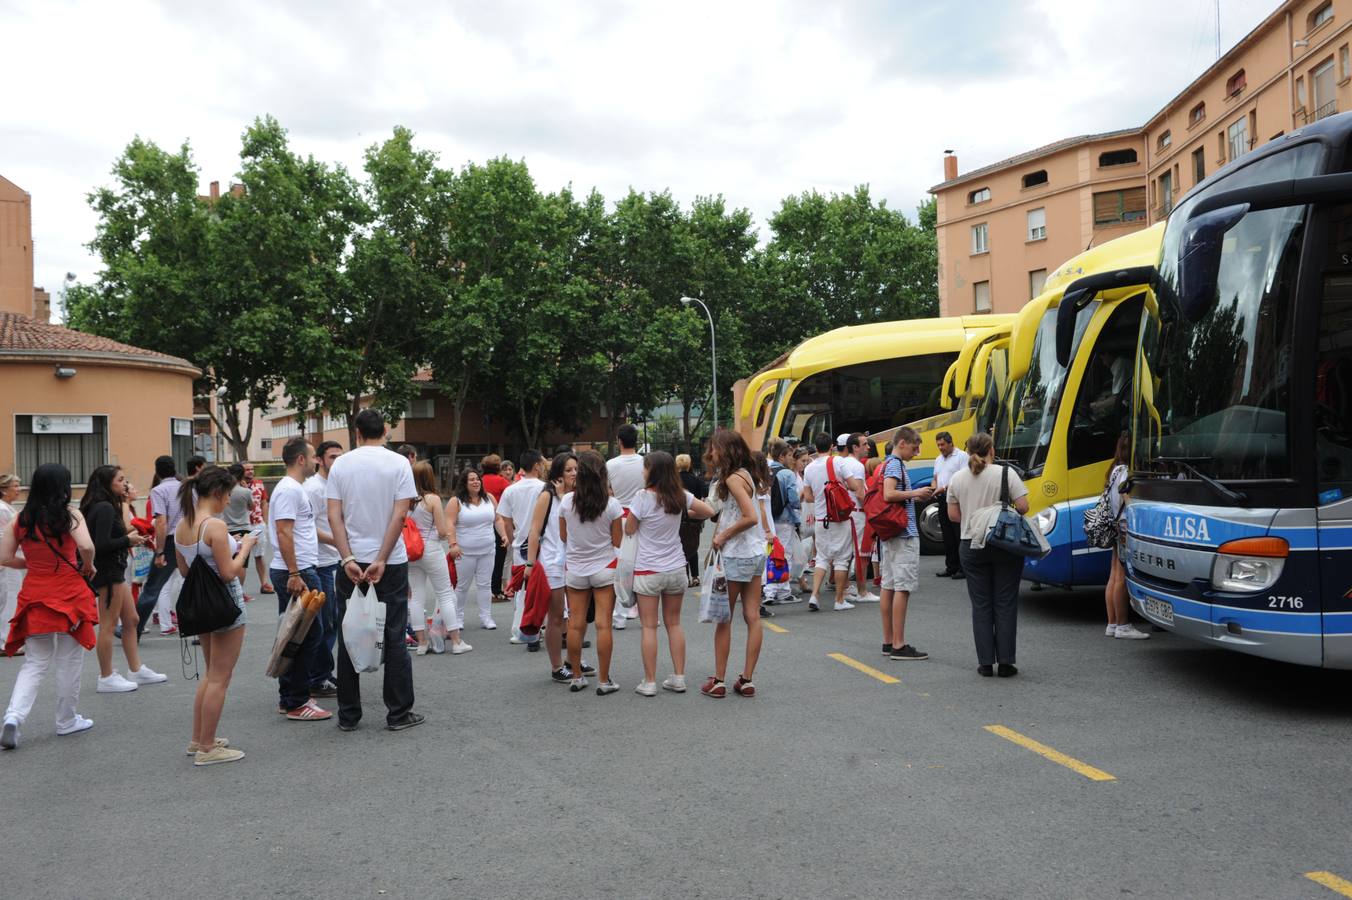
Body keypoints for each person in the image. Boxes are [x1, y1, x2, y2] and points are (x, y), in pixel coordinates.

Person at [326, 408, 423, 732]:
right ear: (385, 430)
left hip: (352, 561)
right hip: (390, 561)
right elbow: (399, 515)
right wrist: (382, 557)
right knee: (394, 634)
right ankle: (398, 713)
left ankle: (348, 714)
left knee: (348, 632)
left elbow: (334, 517)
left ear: (356, 432)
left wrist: (347, 558)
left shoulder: (341, 464)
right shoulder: (398, 463)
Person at [1, 464, 98, 750]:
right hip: (69, 592)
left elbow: (5, 557)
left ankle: (14, 716)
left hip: (35, 593)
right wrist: (88, 567)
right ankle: (66, 721)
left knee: (35, 662)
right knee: (69, 660)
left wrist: (31, 564)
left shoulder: (20, 519)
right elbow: (88, 547)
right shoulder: (70, 515)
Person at [174, 465, 253, 764]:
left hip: (200, 603)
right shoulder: (215, 527)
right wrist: (244, 546)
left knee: (210, 675)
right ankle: (208, 748)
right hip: (225, 603)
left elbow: (183, 570)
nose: (229, 501)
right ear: (218, 493)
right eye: (229, 495)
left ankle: (199, 739)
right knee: (221, 677)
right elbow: (229, 572)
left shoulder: (183, 524)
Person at [627, 451, 714, 696]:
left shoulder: (642, 497)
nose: (643, 472)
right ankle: (678, 677)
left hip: (648, 570)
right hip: (676, 567)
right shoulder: (680, 496)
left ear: (652, 471)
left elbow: (630, 528)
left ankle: (650, 681)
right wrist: (688, 513)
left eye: (645, 468)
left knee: (648, 627)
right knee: (674, 623)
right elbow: (708, 511)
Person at [947, 432, 1030, 677]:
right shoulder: (1006, 474)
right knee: (1005, 602)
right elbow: (1024, 506)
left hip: (970, 543)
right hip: (1003, 543)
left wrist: (976, 521)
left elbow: (953, 516)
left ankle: (985, 662)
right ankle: (1005, 661)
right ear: (991, 450)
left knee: (981, 604)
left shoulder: (957, 478)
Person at [80, 466, 167, 693]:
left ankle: (136, 669)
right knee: (109, 626)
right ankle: (106, 676)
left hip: (113, 571)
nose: (125, 483)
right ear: (108, 483)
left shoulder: (104, 506)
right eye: (120, 480)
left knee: (132, 620)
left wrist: (129, 538)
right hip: (109, 573)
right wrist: (128, 541)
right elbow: (100, 545)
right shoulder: (104, 508)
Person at [267, 438, 331, 722]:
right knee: (307, 635)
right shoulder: (289, 490)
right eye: (314, 456)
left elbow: (302, 531)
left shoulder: (294, 489)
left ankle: (291, 696)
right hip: (298, 571)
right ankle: (297, 700)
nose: (317, 460)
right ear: (302, 460)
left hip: (301, 568)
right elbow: (283, 532)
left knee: (296, 633)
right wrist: (294, 573)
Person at [702, 430, 766, 699]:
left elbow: (750, 516)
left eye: (714, 449)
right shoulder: (746, 474)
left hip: (736, 555)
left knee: (723, 619)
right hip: (754, 553)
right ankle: (747, 679)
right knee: (752, 616)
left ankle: (718, 681)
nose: (710, 454)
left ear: (725, 450)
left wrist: (723, 535)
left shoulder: (731, 478)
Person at [559, 450, 624, 694]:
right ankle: (604, 680)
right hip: (604, 567)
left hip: (575, 568)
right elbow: (617, 541)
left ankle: (576, 676)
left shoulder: (566, 502)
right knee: (603, 624)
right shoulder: (612, 505)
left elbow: (564, 536)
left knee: (575, 624)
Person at [526, 452, 594, 682]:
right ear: (558, 474)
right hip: (553, 562)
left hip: (576, 561)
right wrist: (530, 563)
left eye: (576, 469)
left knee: (578, 616)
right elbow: (534, 531)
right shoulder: (547, 496)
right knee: (556, 617)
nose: (574, 473)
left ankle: (573, 659)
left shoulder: (579, 495)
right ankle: (557, 667)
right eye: (568, 470)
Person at [877, 427, 935, 662]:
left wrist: (913, 494)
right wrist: (916, 493)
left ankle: (889, 641)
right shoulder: (895, 464)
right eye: (914, 447)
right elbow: (889, 494)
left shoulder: (887, 464)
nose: (917, 452)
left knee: (889, 586)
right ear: (902, 443)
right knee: (903, 587)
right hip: (903, 532)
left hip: (891, 533)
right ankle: (899, 645)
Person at [408, 461, 467, 655]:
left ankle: (422, 643)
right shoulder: (433, 499)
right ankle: (457, 642)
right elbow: (442, 531)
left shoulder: (405, 499)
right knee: (444, 594)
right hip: (431, 548)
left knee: (416, 597)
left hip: (412, 552)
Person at [801, 433, 861, 612]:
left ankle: (814, 596)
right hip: (839, 518)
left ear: (816, 447)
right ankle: (839, 599)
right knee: (842, 559)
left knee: (822, 558)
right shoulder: (838, 462)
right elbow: (854, 486)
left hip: (821, 520)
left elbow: (809, 497)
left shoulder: (809, 468)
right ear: (832, 446)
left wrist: (822, 495)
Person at [303, 441, 343, 695]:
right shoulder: (313, 489)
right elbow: (309, 528)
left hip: (336, 559)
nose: (337, 461)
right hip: (320, 563)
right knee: (324, 624)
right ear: (319, 459)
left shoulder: (337, 484)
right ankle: (318, 678)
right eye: (332, 457)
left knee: (333, 621)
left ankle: (322, 674)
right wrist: (338, 540)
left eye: (341, 456)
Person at [496, 451, 546, 645]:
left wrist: (511, 540)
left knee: (522, 589)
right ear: (536, 466)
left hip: (519, 545)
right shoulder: (545, 488)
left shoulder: (510, 490)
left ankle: (520, 629)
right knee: (544, 585)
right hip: (543, 543)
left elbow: (506, 521)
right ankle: (542, 625)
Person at [1103, 432, 1148, 640]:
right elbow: (1124, 493)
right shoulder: (1126, 471)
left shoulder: (1113, 470)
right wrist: (1134, 508)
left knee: (1113, 575)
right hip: (1123, 525)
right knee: (1121, 575)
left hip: (1113, 523)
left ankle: (1112, 623)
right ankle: (1123, 625)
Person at [447, 468, 498, 633]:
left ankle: (486, 617)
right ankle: (458, 618)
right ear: (464, 483)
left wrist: (504, 535)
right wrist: (453, 544)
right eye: (471, 480)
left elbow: (498, 519)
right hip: (465, 552)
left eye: (477, 479)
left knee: (485, 584)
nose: (476, 482)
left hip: (488, 549)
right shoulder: (456, 501)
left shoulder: (489, 498)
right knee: (462, 586)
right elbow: (449, 523)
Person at [138, 456, 182, 636]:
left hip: (170, 541)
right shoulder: (187, 488)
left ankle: (134, 629)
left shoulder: (158, 490)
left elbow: (161, 522)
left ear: (157, 471)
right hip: (189, 538)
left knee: (153, 587)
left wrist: (160, 551)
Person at [607, 423, 645, 628]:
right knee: (644, 563)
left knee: (621, 565)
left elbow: (607, 492)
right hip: (643, 518)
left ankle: (620, 616)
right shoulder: (646, 462)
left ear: (619, 441)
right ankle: (649, 612)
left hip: (619, 517)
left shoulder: (610, 464)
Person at [763, 439, 802, 607]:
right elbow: (793, 499)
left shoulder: (765, 471)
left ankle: (770, 588)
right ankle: (781, 591)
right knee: (785, 555)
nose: (791, 459)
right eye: (789, 456)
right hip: (785, 519)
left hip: (769, 521)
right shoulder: (787, 474)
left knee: (771, 554)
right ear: (781, 456)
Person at [842, 433, 878, 603]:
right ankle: (862, 591)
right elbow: (859, 492)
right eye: (864, 444)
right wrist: (871, 510)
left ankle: (847, 588)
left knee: (847, 553)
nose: (868, 447)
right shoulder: (856, 466)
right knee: (862, 553)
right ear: (855, 447)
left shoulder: (843, 462)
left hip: (847, 514)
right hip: (857, 512)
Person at [932, 431, 969, 578]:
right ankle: (951, 566)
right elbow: (935, 477)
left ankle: (963, 568)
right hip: (942, 497)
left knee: (958, 533)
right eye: (938, 445)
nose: (940, 448)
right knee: (947, 535)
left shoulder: (962, 456)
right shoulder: (938, 459)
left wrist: (944, 488)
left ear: (950, 442)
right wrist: (934, 487)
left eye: (942, 444)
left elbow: (964, 478)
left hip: (956, 498)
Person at [480, 454, 511, 604]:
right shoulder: (502, 482)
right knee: (499, 558)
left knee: (484, 559)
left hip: (482, 522)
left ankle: (484, 588)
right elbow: (511, 497)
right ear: (498, 467)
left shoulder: (479, 480)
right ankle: (495, 590)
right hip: (499, 521)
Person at [223, 464, 255, 601]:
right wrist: (247, 488)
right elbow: (252, 506)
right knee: (242, 563)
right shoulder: (245, 492)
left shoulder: (224, 491)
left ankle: (228, 591)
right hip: (243, 527)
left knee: (228, 561)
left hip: (227, 529)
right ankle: (239, 591)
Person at [676, 453, 707, 587]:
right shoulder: (696, 479)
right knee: (692, 546)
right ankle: (695, 576)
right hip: (694, 518)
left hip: (679, 518)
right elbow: (703, 497)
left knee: (681, 547)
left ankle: (685, 576)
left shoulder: (674, 480)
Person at [242, 462, 273, 594]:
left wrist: (265, 522)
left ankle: (264, 583)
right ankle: (240, 589)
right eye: (247, 469)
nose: (250, 471)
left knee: (259, 555)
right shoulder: (235, 486)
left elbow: (264, 503)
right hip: (243, 524)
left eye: (252, 469)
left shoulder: (259, 483)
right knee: (242, 557)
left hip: (258, 523)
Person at [0, 474, 22, 650]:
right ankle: (5, 641)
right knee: (9, 599)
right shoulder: (2, 509)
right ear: (3, 489)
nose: (19, 489)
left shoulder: (7, 508)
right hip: (7, 562)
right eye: (15, 485)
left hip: (9, 560)